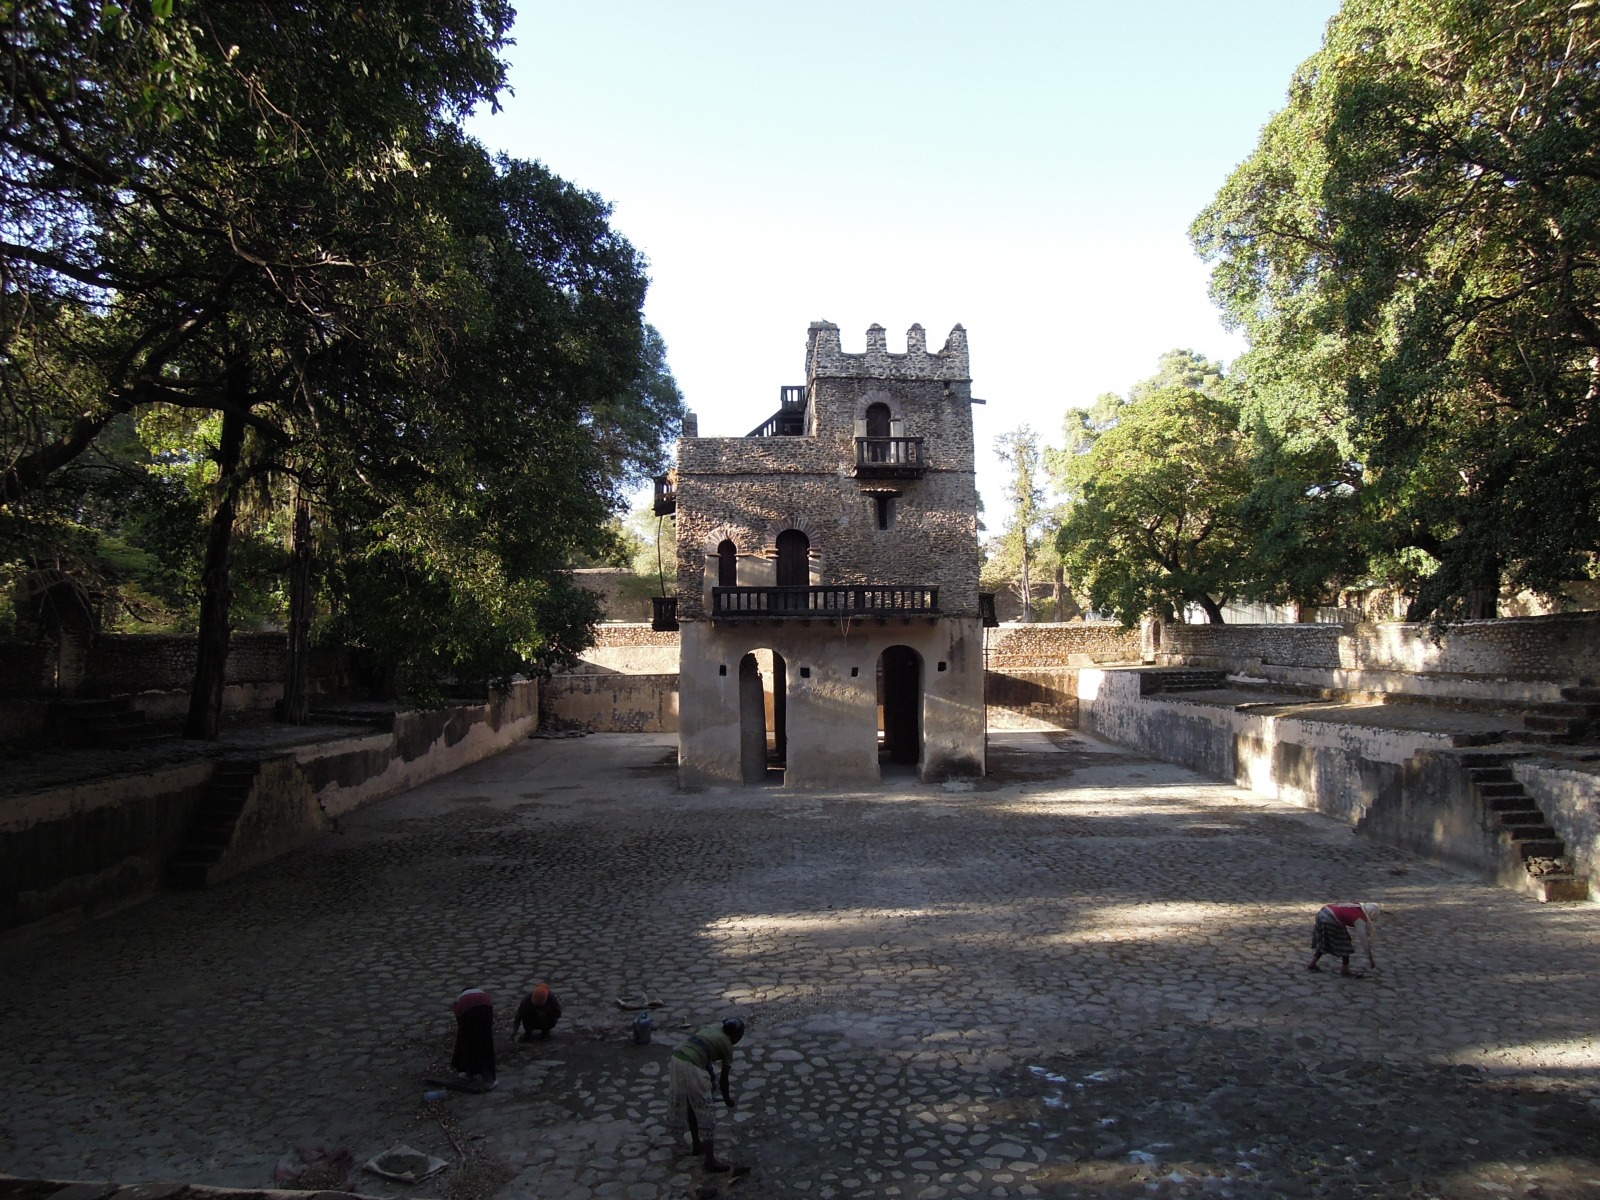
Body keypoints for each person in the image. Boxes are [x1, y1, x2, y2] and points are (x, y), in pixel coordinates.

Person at [667, 1017, 745, 1172]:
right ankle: (710, 1160)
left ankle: (697, 1143)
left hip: (678, 1058)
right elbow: (724, 1079)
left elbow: (705, 1051)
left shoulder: (714, 1027)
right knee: (706, 1111)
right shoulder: (727, 1045)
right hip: (692, 1064)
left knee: (691, 1105)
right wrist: (727, 1099)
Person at [1308, 902, 1379, 976]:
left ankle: (1312, 963)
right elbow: (1364, 940)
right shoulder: (1359, 917)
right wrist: (1370, 958)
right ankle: (1345, 969)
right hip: (1331, 918)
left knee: (1324, 940)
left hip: (1323, 913)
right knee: (1345, 943)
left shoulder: (1355, 906)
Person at [451, 987, 496, 1088]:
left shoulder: (459, 1000)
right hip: (485, 1009)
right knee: (486, 1045)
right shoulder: (483, 994)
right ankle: (489, 1079)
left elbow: (459, 1021)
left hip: (468, 1013)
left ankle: (469, 1071)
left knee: (468, 1044)